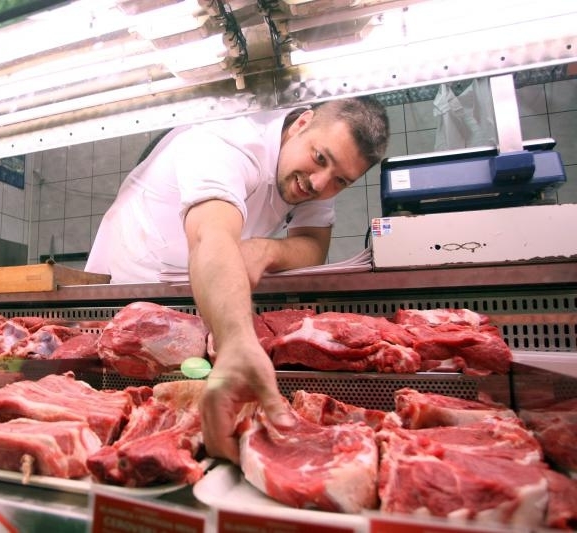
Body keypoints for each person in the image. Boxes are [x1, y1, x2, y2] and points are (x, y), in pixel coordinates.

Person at [86, 96, 389, 462]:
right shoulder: (230, 139)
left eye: (340, 181)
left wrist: (267, 250)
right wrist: (236, 343)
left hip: (209, 295)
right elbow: (210, 235)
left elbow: (312, 245)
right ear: (302, 123)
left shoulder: (318, 172)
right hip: (131, 303)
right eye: (320, 159)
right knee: (130, 426)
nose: (319, 183)